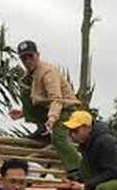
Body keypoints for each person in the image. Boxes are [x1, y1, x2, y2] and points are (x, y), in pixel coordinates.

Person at [7, 40, 82, 178]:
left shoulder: (48, 73)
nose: (28, 61)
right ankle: (43, 131)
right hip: (52, 108)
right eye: (24, 58)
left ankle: (78, 169)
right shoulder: (31, 75)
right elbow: (40, 99)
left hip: (67, 109)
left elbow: (57, 99)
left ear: (38, 55)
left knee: (58, 139)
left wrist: (52, 118)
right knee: (25, 92)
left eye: (31, 56)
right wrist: (23, 113)